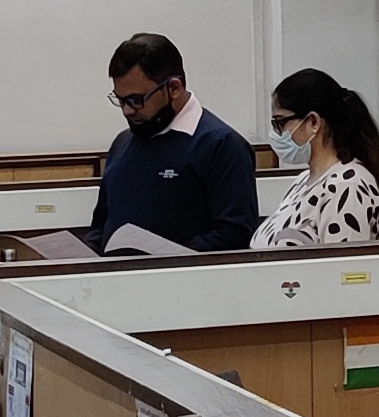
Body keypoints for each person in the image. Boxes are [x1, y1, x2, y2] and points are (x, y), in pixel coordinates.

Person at [90, 34, 257, 254]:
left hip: (183, 274)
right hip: (115, 273)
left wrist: (164, 260)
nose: (127, 110)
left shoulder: (221, 145)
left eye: (136, 100)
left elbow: (234, 234)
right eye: (120, 100)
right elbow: (102, 223)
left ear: (174, 88)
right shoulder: (123, 143)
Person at [255, 68, 379, 250]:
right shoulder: (304, 181)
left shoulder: (348, 186)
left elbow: (343, 263)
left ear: (313, 122)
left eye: (280, 122)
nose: (276, 133)